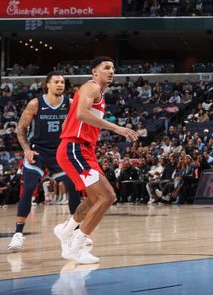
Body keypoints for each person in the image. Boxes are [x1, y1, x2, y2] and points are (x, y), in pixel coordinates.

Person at [53, 57, 139, 263]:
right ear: (94, 71)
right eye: (106, 68)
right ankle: (77, 245)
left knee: (94, 198)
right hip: (75, 148)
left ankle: (67, 229)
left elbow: (68, 121)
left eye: (113, 69)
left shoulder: (97, 93)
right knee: (107, 196)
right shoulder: (91, 88)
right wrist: (116, 128)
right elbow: (81, 113)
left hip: (81, 149)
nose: (111, 72)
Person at [7, 72, 82, 252]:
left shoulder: (70, 103)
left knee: (73, 186)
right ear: (47, 85)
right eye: (56, 82)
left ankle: (75, 231)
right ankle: (18, 234)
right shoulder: (35, 103)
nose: (60, 84)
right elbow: (21, 129)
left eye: (62, 82)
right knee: (29, 187)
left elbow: (79, 124)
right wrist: (26, 150)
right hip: (38, 151)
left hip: (59, 153)